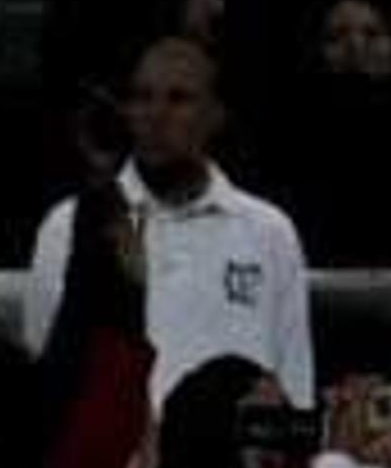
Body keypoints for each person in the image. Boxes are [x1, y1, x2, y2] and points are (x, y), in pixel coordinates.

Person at [21, 38, 315, 411]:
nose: (156, 115)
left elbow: (294, 385)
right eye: (142, 98)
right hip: (110, 463)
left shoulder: (269, 231)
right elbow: (46, 373)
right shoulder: (70, 226)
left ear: (215, 114)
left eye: (178, 99)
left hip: (232, 464)